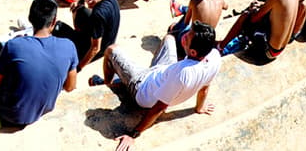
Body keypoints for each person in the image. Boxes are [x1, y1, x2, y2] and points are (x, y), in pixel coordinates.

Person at [92, 21, 220, 151]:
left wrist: (134, 134)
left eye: (187, 37)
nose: (185, 35)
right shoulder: (214, 57)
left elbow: (159, 108)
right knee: (169, 38)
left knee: (111, 50)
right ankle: (117, 80)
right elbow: (205, 87)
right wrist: (199, 107)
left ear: (193, 52)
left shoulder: (182, 74)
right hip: (163, 71)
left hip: (141, 86)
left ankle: (108, 84)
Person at [0, 0, 77, 127]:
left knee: (1, 47)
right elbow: (70, 87)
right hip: (43, 109)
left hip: (8, 113)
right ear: (54, 21)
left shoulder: (14, 45)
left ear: (30, 18)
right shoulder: (69, 46)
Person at [217, 0, 299, 62]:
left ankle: (221, 46)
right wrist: (262, 5)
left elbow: (254, 18)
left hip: (267, 50)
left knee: (245, 16)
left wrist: (253, 9)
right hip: (278, 50)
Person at [53, 0, 121, 71]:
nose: (89, 1)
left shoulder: (98, 14)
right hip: (108, 34)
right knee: (80, 10)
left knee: (58, 28)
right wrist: (80, 1)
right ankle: (79, 34)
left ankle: (78, 45)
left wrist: (78, 67)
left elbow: (95, 48)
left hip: (101, 47)